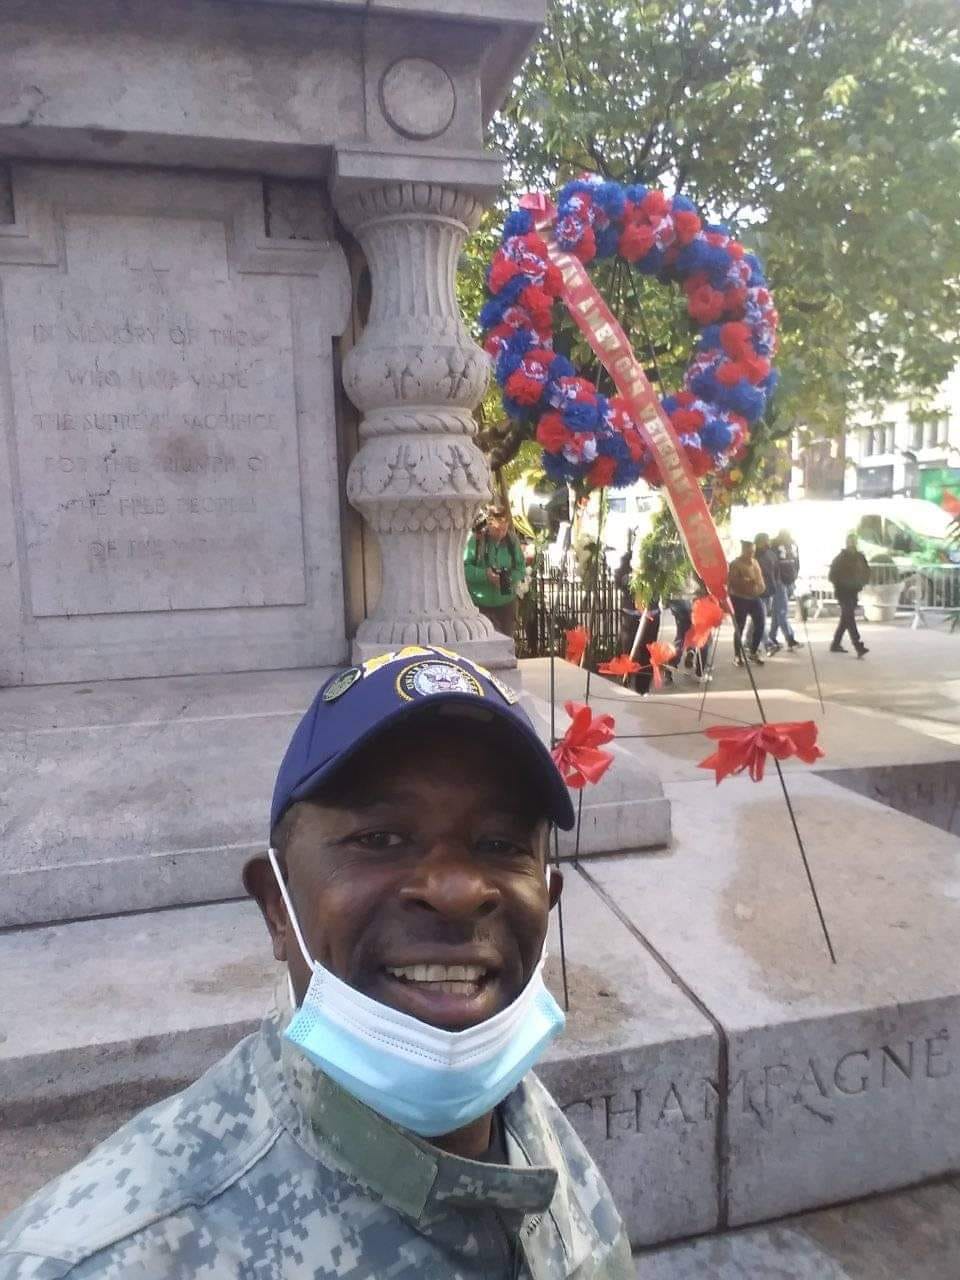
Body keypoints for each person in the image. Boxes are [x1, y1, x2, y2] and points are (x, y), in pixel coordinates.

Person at [0, 646, 632, 1279]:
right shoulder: (107, 1260)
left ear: (548, 898)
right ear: (278, 908)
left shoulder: (530, 1126)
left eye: (498, 843)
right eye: (380, 838)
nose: (456, 890)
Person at [464, 505, 526, 638]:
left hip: (506, 605)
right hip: (480, 606)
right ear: (489, 524)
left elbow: (521, 569)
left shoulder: (511, 541)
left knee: (506, 646)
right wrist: (485, 575)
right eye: (497, 529)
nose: (501, 534)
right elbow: (464, 569)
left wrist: (507, 578)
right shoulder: (476, 540)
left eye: (504, 529)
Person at [828, 533, 870, 657]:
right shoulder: (840, 558)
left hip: (853, 592)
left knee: (846, 619)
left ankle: (835, 644)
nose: (852, 544)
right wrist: (842, 584)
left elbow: (867, 571)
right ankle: (858, 645)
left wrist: (861, 583)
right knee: (849, 618)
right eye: (850, 541)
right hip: (843, 592)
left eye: (854, 541)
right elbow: (832, 576)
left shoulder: (860, 557)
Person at [727, 539, 766, 665]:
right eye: (749, 552)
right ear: (743, 551)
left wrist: (760, 587)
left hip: (755, 597)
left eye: (753, 552)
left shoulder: (755, 562)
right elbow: (732, 582)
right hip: (740, 598)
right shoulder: (735, 564)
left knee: (760, 623)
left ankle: (753, 651)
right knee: (740, 626)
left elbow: (760, 579)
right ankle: (737, 655)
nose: (751, 554)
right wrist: (746, 581)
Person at [768, 529, 804, 652]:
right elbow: (797, 563)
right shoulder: (793, 544)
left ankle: (771, 637)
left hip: (781, 580)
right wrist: (794, 577)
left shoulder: (774, 545)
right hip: (785, 580)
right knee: (781, 611)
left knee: (778, 611)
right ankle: (790, 638)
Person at [754, 532, 778, 652]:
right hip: (758, 593)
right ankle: (768, 643)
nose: (768, 542)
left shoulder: (771, 554)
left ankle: (748, 643)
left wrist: (775, 584)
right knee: (761, 620)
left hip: (769, 591)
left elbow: (776, 570)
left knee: (757, 620)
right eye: (766, 540)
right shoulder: (753, 556)